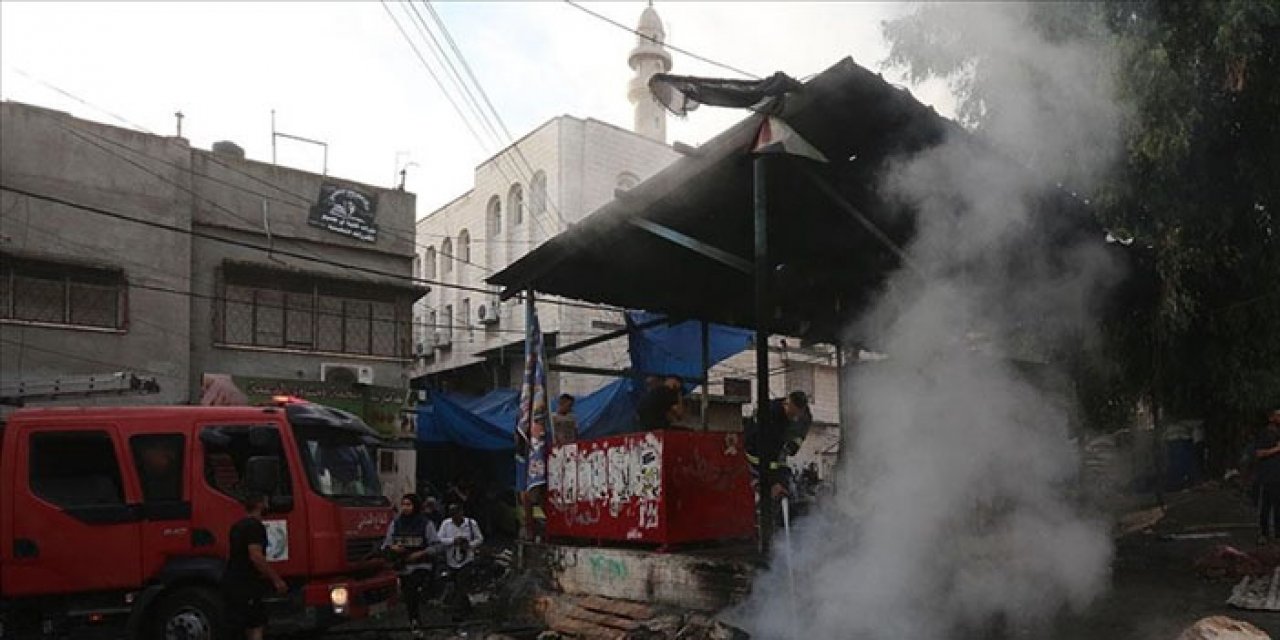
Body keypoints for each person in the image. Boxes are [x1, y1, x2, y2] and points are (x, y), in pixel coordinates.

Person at [222, 491, 287, 640]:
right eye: (265, 502)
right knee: (256, 624)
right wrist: (276, 579)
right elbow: (256, 556)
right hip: (247, 583)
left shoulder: (237, 526)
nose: (267, 505)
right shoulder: (255, 527)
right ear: (259, 504)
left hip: (232, 582)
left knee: (240, 625)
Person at [382, 494, 439, 636]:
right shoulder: (396, 523)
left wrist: (420, 554)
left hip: (421, 565)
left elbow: (437, 546)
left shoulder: (426, 524)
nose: (405, 508)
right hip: (402, 566)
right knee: (408, 594)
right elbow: (386, 545)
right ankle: (414, 620)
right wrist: (393, 548)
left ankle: (415, 620)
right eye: (404, 504)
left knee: (412, 589)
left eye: (409, 505)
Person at [744, 391, 813, 506]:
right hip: (755, 455)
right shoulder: (771, 414)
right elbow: (770, 454)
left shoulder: (805, 416)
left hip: (776, 454)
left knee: (785, 481)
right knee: (765, 485)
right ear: (786, 404)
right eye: (791, 414)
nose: (795, 419)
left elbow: (801, 433)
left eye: (797, 415)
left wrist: (794, 445)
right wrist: (774, 482)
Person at [437, 503, 484, 619]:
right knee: (456, 585)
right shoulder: (446, 524)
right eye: (452, 515)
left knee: (461, 584)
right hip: (451, 560)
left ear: (461, 513)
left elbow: (480, 539)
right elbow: (439, 540)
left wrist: (469, 545)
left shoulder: (471, 524)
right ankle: (467, 607)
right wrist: (453, 541)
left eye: (456, 514)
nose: (455, 517)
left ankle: (458, 612)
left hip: (467, 560)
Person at [1256, 410, 1280, 545]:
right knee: (1266, 506)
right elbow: (1259, 453)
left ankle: (1278, 534)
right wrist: (1276, 449)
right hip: (1268, 475)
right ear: (1271, 418)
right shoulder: (1265, 434)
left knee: (1279, 506)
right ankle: (1264, 533)